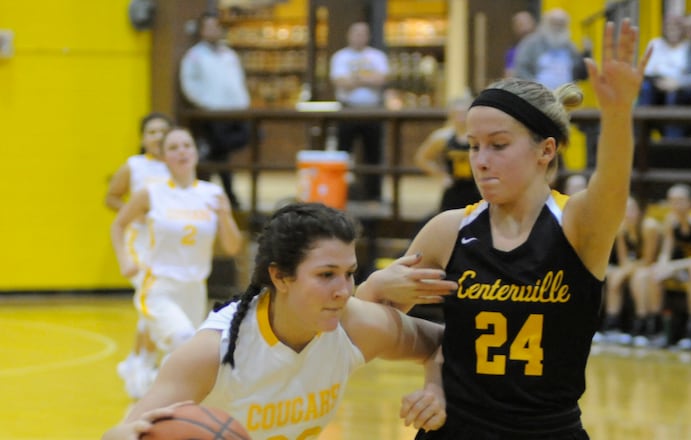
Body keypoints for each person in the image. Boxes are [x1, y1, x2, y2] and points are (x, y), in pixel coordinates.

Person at [359, 20, 650, 439]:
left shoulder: (577, 225)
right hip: (455, 428)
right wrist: (373, 289)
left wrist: (619, 114)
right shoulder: (448, 230)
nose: (480, 160)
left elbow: (612, 185)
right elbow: (364, 324)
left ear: (546, 150)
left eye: (498, 145)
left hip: (548, 430)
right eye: (474, 145)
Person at [102, 202, 446, 440]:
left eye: (350, 274)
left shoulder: (356, 326)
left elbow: (445, 342)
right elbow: (125, 432)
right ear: (280, 277)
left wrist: (435, 384)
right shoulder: (211, 354)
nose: (343, 290)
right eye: (326, 275)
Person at [110, 127, 243, 393]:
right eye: (173, 147)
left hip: (194, 289)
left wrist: (227, 217)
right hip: (159, 287)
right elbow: (119, 224)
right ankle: (151, 385)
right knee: (184, 342)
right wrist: (125, 259)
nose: (181, 151)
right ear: (164, 157)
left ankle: (145, 374)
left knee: (186, 351)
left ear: (195, 152)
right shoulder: (151, 193)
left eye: (187, 145)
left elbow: (232, 247)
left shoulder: (212, 193)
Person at [105, 112, 174, 399]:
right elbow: (110, 197)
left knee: (153, 304)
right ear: (143, 138)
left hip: (168, 247)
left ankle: (136, 362)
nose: (158, 137)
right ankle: (142, 366)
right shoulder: (134, 167)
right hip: (140, 246)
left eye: (163, 131)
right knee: (153, 301)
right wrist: (136, 213)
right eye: (152, 132)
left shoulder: (176, 167)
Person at [180, 11, 251, 209]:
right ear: (201, 31)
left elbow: (237, 81)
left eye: (216, 26)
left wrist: (243, 102)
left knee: (220, 154)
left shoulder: (229, 54)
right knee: (219, 155)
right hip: (213, 114)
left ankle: (218, 194)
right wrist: (205, 103)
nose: (213, 31)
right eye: (209, 27)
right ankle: (227, 196)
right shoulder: (195, 55)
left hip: (236, 112)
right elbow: (189, 84)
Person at [632, 184, 691, 349]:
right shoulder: (671, 220)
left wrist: (673, 266)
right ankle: (657, 328)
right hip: (681, 268)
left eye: (680, 200)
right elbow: (666, 252)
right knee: (654, 273)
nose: (676, 204)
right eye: (672, 200)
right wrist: (662, 266)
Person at [330, 21, 390, 201]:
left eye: (363, 33)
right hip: (347, 111)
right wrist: (366, 78)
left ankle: (373, 195)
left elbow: (382, 79)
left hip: (373, 111)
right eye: (356, 33)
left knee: (374, 154)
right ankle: (339, 193)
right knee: (342, 154)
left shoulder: (377, 56)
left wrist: (354, 78)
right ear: (349, 35)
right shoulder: (340, 57)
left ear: (368, 36)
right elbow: (341, 82)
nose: (359, 37)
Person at [598, 196, 661, 346]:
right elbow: (623, 259)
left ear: (639, 211)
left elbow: (648, 259)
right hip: (635, 267)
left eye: (631, 209)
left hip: (653, 267)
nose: (628, 213)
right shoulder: (621, 228)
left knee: (640, 278)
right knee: (614, 277)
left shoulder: (649, 227)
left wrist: (627, 270)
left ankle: (643, 326)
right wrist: (625, 270)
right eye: (624, 209)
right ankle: (612, 326)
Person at [414, 95, 481, 213]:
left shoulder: (480, 135)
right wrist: (441, 176)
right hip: (454, 187)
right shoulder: (443, 136)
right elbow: (422, 158)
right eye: (457, 113)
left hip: (476, 187)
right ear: (451, 114)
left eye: (463, 113)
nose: (460, 117)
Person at [512, 8, 591, 90]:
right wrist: (534, 87)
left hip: (565, 96)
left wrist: (587, 53)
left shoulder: (569, 46)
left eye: (561, 23)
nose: (557, 27)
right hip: (538, 95)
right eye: (554, 23)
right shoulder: (530, 43)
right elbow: (521, 69)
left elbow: (580, 73)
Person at [638, 13, 689, 107]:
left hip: (680, 84)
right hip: (655, 82)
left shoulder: (689, 47)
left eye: (676, 27)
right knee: (645, 88)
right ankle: (642, 120)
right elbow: (647, 69)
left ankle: (671, 121)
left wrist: (674, 82)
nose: (672, 30)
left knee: (673, 93)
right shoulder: (655, 43)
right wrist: (662, 80)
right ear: (663, 29)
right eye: (669, 27)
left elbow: (688, 70)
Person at [504, 10, 537, 78]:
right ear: (515, 28)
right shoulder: (513, 52)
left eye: (527, 23)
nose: (525, 28)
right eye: (520, 25)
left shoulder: (546, 48)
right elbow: (509, 74)